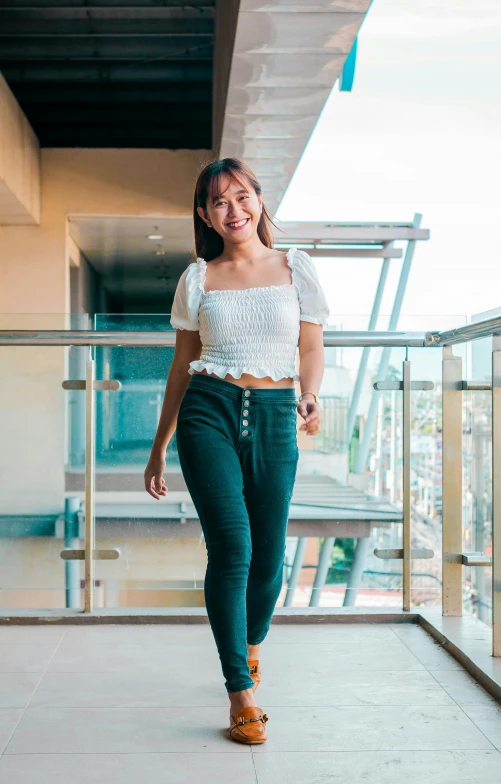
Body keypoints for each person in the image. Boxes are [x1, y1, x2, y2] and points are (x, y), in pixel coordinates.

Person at [144, 157, 329, 745]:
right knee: (234, 548)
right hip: (209, 411)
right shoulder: (198, 278)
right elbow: (180, 366)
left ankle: (249, 648)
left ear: (258, 199)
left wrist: (312, 395)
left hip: (275, 416)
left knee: (269, 558)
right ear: (204, 214)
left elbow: (310, 346)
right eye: (219, 202)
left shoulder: (296, 267)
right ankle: (238, 693)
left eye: (242, 196)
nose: (234, 210)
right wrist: (158, 448)